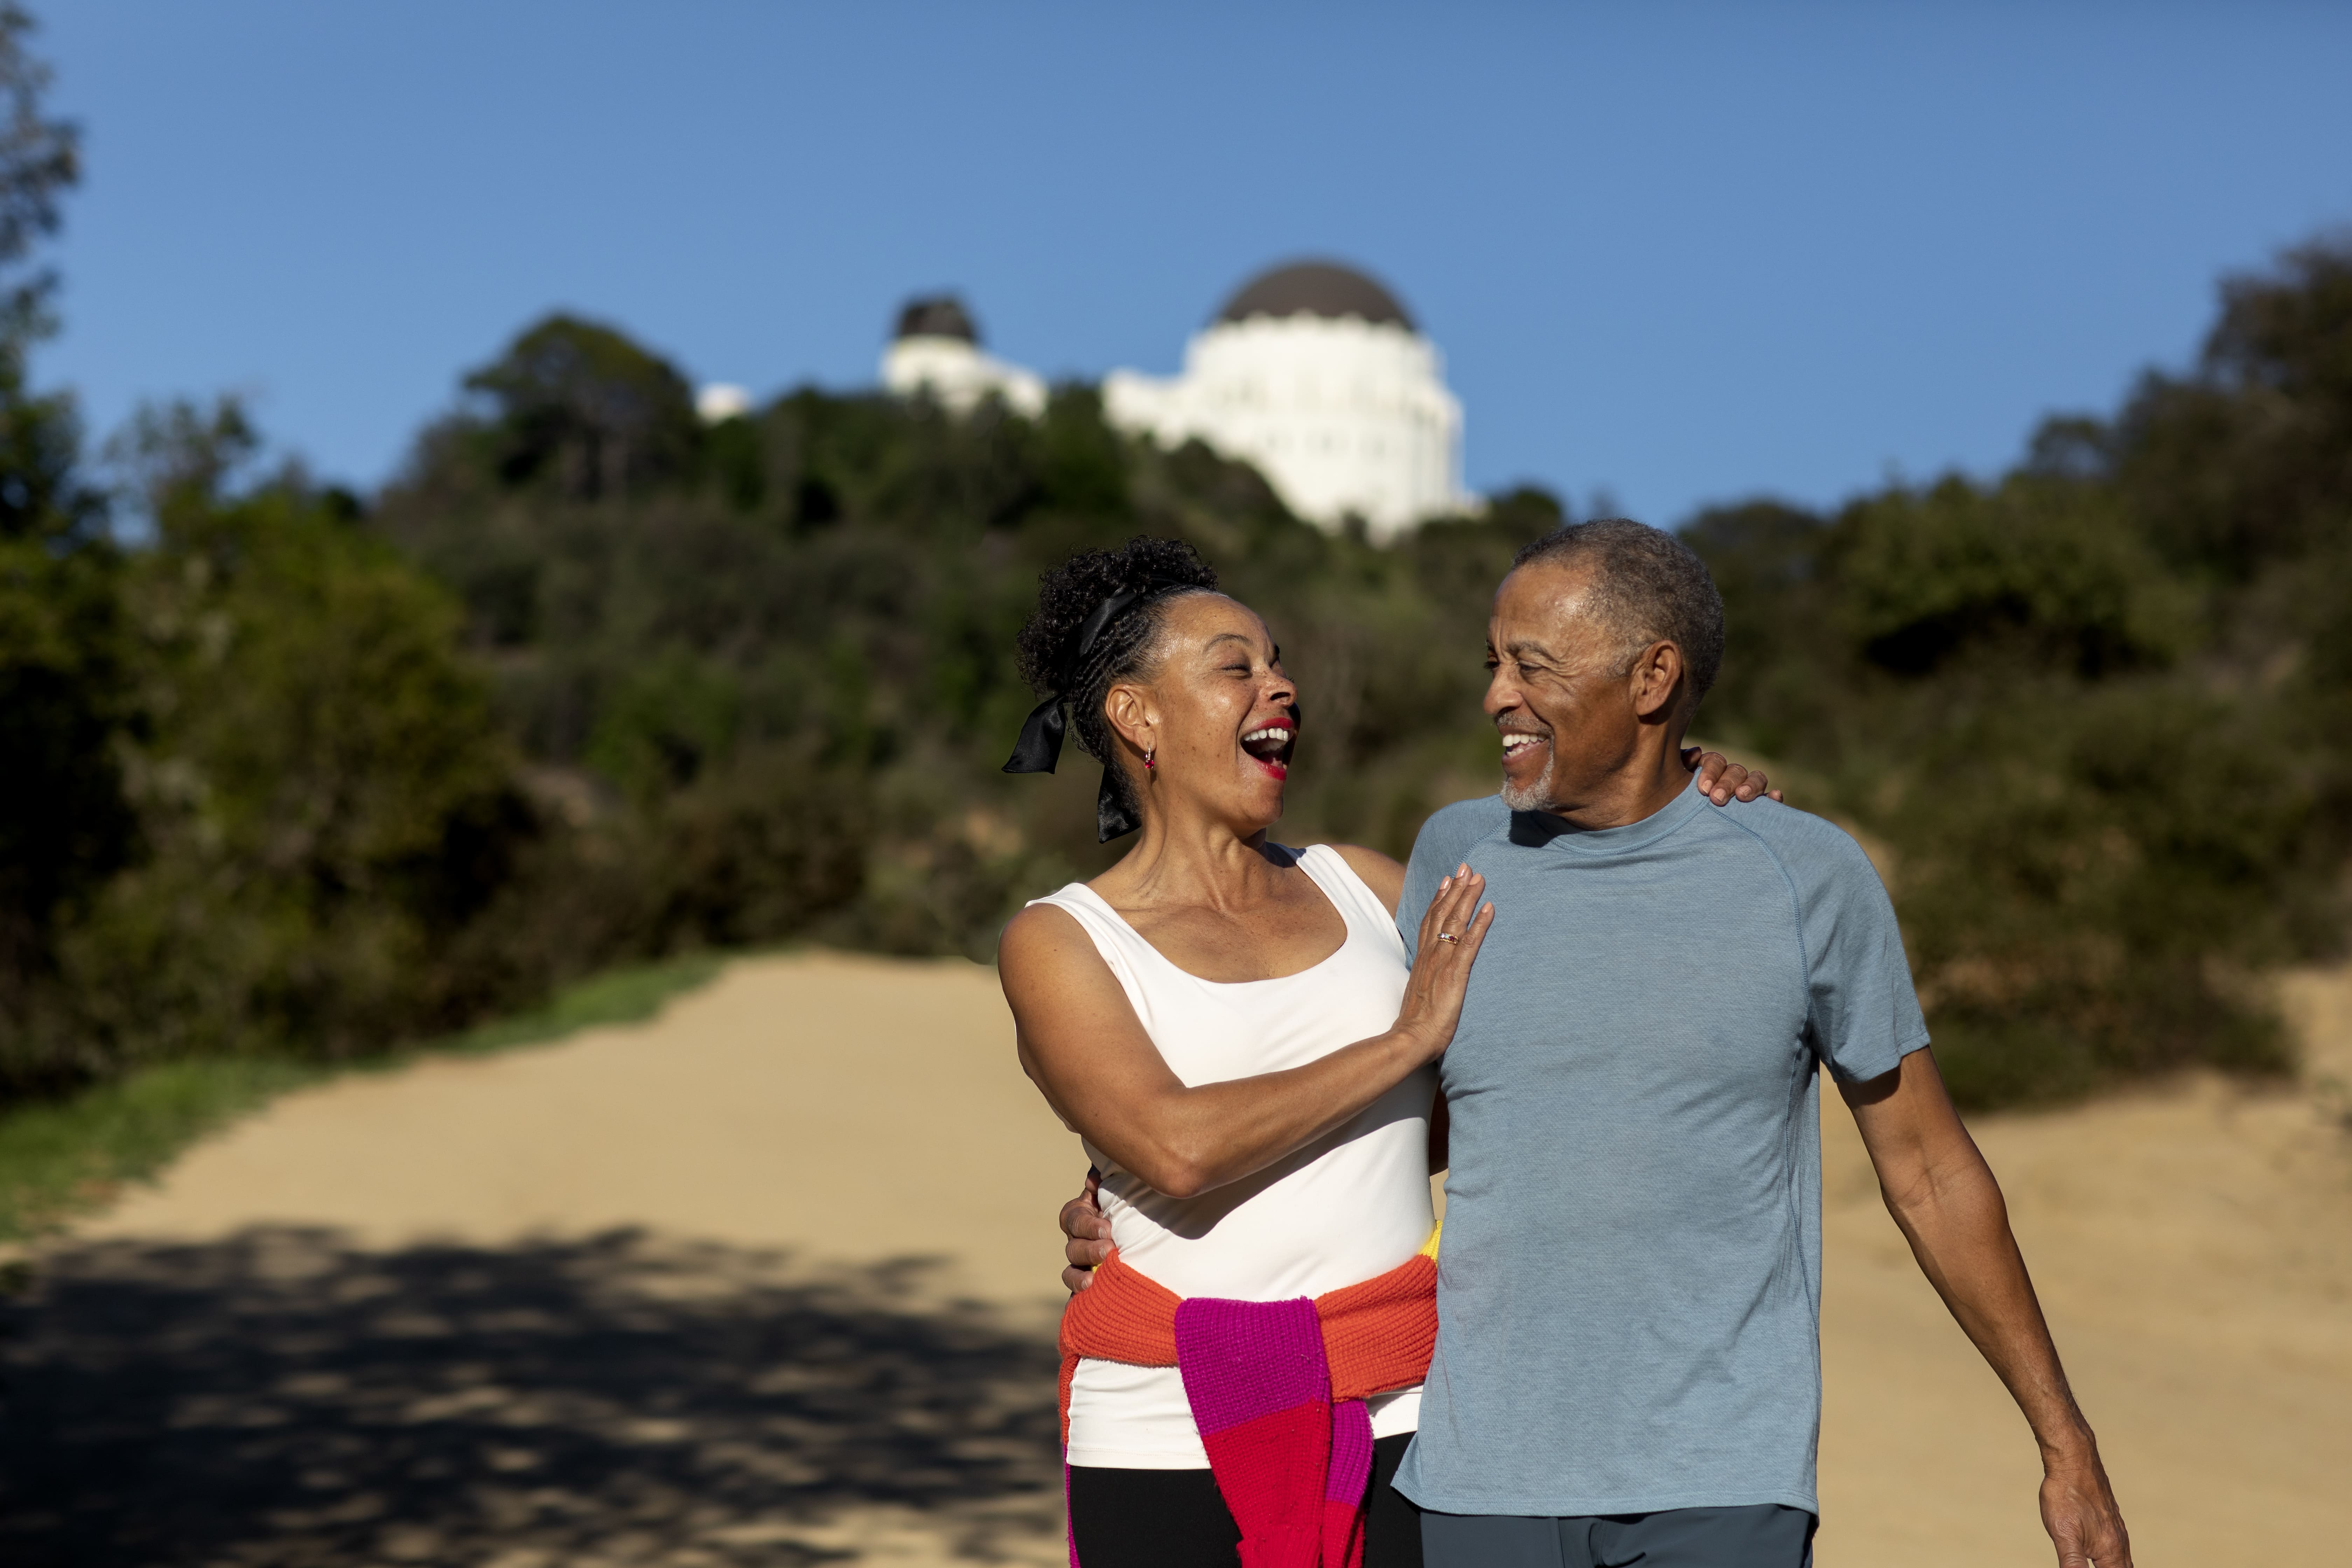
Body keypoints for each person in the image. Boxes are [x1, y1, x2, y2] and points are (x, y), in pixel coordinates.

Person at [1061, 520, 2135, 1568]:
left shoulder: (1803, 875)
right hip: (1471, 1484)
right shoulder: (1452, 858)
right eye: (1492, 664)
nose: (1495, 698)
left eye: (1533, 667)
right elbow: (1358, 1105)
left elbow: (1934, 1173)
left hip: (1721, 1480)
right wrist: (1128, 1206)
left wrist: (2064, 1441)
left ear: (1653, 678)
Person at [997, 536, 1775, 1568]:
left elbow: (1546, 1036)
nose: (1282, 685)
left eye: (1277, 661)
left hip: (1413, 1416)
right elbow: (1176, 1148)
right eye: (1237, 666)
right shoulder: (1059, 939)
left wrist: (1676, 793)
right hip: (1160, 1435)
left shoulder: (1365, 884)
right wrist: (1407, 1038)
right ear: (1137, 716)